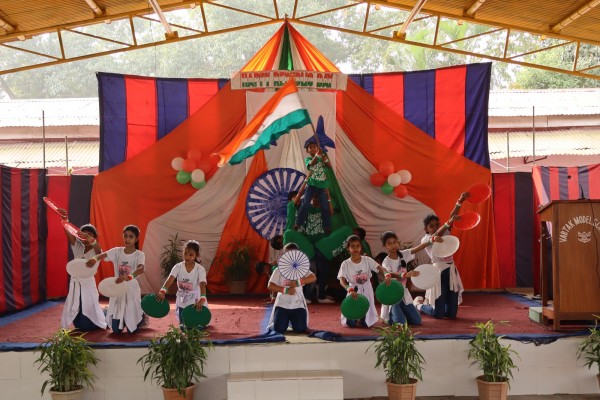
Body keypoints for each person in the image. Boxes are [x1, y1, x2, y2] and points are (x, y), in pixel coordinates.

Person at [414, 192, 468, 319]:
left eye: (437, 224)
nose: (435, 227)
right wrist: (448, 222)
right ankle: (418, 305)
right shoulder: (426, 239)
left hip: (451, 272)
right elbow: (436, 234)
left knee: (451, 314)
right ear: (426, 229)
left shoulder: (445, 234)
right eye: (431, 226)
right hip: (438, 274)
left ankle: (440, 306)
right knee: (438, 314)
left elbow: (452, 217)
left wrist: (460, 201)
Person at [87, 225, 146, 333]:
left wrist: (128, 277)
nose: (127, 239)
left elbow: (141, 269)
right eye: (125, 236)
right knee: (116, 330)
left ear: (136, 239)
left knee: (132, 331)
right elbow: (101, 255)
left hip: (131, 291)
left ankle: (141, 316)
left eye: (131, 237)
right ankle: (114, 315)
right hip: (118, 289)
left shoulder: (139, 254)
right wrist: (95, 258)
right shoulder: (117, 251)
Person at [58, 209, 107, 331]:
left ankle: (105, 313)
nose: (86, 236)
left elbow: (99, 249)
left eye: (90, 234)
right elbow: (68, 232)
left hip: (88, 285)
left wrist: (92, 241)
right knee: (78, 322)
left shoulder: (97, 250)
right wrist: (65, 219)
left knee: (88, 323)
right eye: (84, 234)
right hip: (75, 283)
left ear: (94, 237)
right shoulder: (78, 247)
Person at [337, 235, 391, 328]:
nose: (355, 248)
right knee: (351, 324)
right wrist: (349, 288)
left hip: (367, 290)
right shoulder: (345, 263)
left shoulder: (367, 260)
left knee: (366, 324)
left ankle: (362, 318)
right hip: (353, 291)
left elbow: (380, 268)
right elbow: (341, 280)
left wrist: (386, 274)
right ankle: (355, 317)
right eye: (352, 246)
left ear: (361, 247)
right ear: (348, 248)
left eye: (357, 246)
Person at [379, 231, 429, 326]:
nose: (393, 245)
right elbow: (389, 274)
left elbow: (419, 247)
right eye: (389, 243)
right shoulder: (386, 261)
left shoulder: (403, 254)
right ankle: (389, 317)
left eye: (394, 242)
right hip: (393, 295)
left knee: (417, 321)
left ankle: (403, 310)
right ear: (385, 246)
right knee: (400, 323)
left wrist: (431, 240)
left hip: (403, 293)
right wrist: (404, 275)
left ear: (398, 242)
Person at [156, 240, 207, 329]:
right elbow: (170, 279)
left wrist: (202, 298)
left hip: (196, 299)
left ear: (196, 255)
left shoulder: (200, 269)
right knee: (183, 327)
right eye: (185, 254)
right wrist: (162, 291)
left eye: (191, 255)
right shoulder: (178, 267)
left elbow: (202, 284)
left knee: (197, 327)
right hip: (182, 298)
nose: (187, 257)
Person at [267, 243, 317, 334]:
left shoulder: (302, 269)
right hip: (282, 304)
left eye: (293, 254)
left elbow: (313, 277)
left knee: (300, 329)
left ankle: (292, 320)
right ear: (283, 255)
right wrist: (285, 290)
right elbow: (270, 285)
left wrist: (298, 282)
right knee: (279, 329)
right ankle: (282, 320)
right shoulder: (278, 269)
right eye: (287, 254)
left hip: (298, 304)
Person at [295, 139, 332, 234]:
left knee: (324, 206)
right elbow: (312, 164)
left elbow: (329, 166)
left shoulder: (321, 157)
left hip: (321, 186)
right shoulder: (308, 159)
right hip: (311, 185)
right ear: (307, 151)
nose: (312, 148)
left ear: (317, 148)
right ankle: (298, 223)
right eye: (310, 147)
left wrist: (324, 158)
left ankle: (327, 225)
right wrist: (317, 155)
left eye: (314, 147)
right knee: (305, 204)